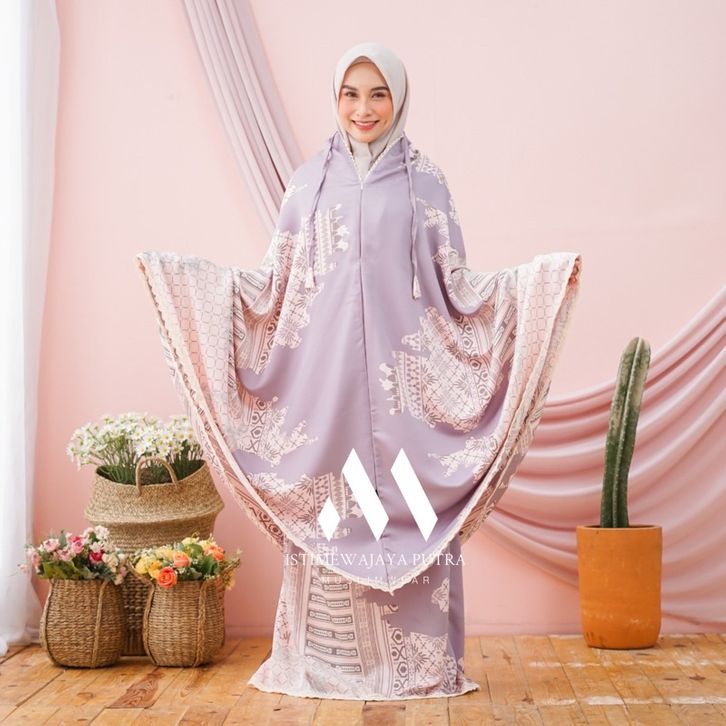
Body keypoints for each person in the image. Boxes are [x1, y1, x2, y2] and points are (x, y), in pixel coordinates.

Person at [136, 41, 582, 700]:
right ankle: (327, 661)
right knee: (333, 514)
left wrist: (535, 282)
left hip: (408, 402)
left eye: (378, 94)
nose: (364, 108)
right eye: (351, 94)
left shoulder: (426, 182)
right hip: (326, 396)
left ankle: (417, 666)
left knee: (409, 513)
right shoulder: (306, 183)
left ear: (398, 99)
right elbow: (273, 285)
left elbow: (458, 286)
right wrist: (188, 279)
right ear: (336, 99)